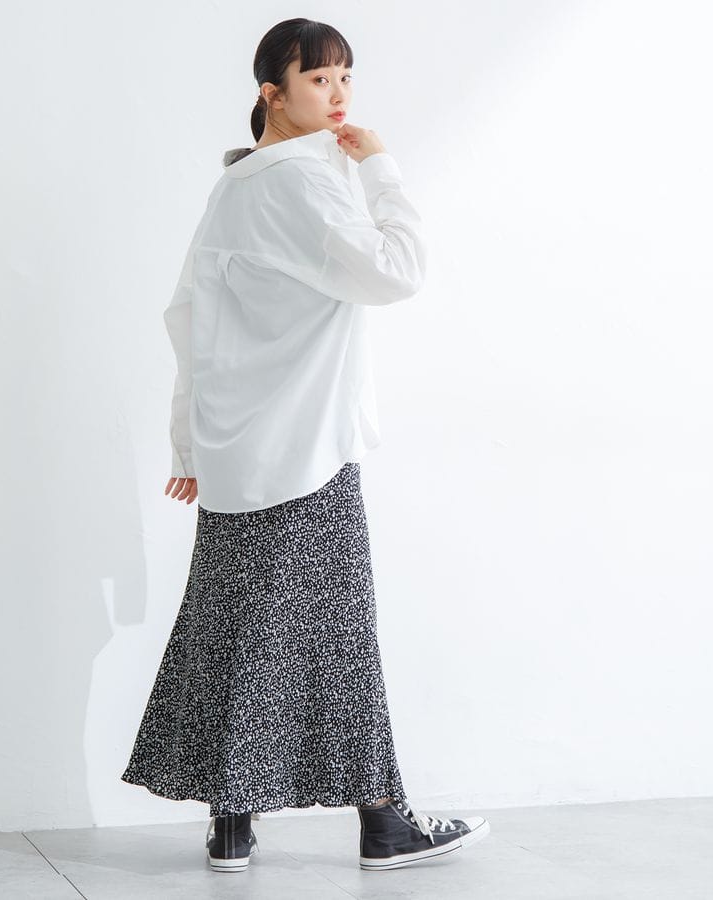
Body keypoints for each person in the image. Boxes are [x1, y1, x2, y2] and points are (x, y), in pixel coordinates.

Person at [120, 16, 490, 873]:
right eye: (318, 78)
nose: (338, 94)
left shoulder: (235, 188)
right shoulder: (304, 184)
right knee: (339, 637)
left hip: (238, 450)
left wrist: (190, 447)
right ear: (272, 93)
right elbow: (398, 271)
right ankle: (385, 824)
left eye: (345, 77)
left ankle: (231, 823)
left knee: (235, 629)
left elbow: (191, 318)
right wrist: (381, 167)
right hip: (308, 447)